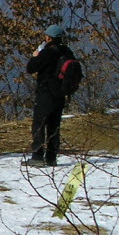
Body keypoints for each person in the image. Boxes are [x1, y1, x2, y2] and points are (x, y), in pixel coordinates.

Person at [25, 25, 72, 167]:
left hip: (46, 92)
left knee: (39, 123)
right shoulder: (67, 51)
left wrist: (35, 56)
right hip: (60, 93)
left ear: (49, 37)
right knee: (54, 125)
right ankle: (52, 157)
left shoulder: (48, 52)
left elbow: (31, 68)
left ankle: (37, 156)